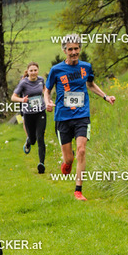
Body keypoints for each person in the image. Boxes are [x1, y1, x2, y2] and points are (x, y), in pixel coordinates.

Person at [44, 34, 116, 200]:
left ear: (80, 49)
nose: (74, 52)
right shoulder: (56, 70)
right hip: (62, 117)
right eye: (70, 49)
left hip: (82, 115)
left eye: (76, 48)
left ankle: (78, 190)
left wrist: (106, 96)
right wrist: (47, 102)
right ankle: (67, 162)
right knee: (69, 158)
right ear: (64, 51)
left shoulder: (86, 67)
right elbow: (47, 90)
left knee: (82, 150)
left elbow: (90, 84)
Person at [11, 62, 47, 173]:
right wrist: (22, 100)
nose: (33, 72)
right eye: (31, 70)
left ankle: (41, 164)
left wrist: (47, 100)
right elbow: (13, 97)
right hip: (28, 114)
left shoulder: (41, 80)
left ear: (38, 71)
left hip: (40, 112)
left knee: (40, 138)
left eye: (35, 70)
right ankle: (28, 141)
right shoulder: (23, 83)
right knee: (33, 140)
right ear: (28, 71)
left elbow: (45, 90)